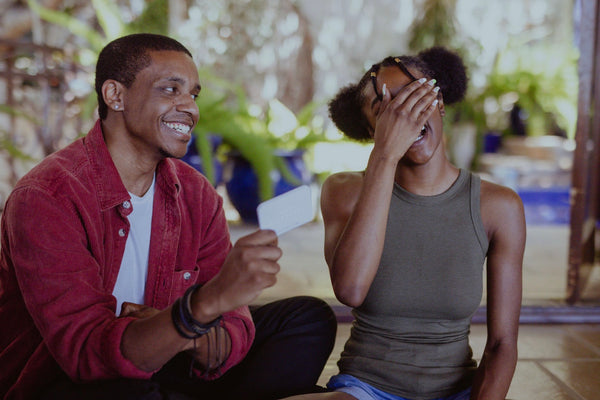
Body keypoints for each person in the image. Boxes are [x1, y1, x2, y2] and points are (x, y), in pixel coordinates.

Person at [0, 33, 336, 400]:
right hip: (71, 381)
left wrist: (178, 329)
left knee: (306, 319)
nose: (189, 107)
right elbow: (86, 356)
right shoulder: (47, 197)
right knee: (127, 391)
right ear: (115, 96)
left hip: (166, 360)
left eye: (193, 94)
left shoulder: (196, 193)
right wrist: (203, 307)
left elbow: (233, 324)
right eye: (170, 89)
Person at [284, 47, 525, 400]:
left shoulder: (498, 206)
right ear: (372, 130)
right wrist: (385, 156)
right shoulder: (344, 191)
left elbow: (503, 344)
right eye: (385, 111)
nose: (403, 116)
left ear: (439, 103)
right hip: (365, 390)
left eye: (412, 97)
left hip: (456, 392)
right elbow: (350, 290)